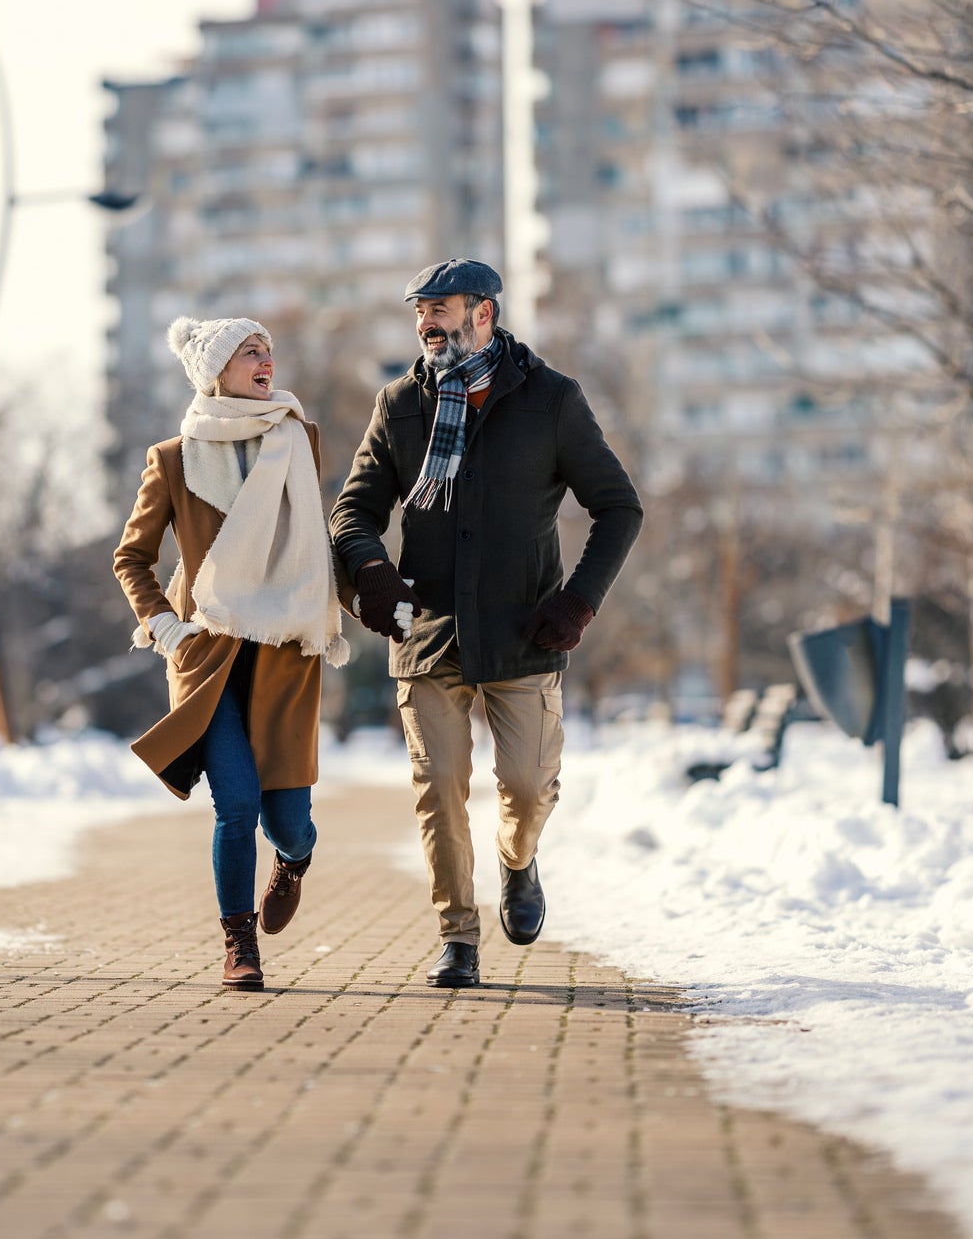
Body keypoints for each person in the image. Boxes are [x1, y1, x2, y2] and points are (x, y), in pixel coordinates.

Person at [330, 260, 642, 989]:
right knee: (438, 785)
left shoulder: (550, 400)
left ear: (484, 315)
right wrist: (370, 574)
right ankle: (457, 938)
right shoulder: (399, 405)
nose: (426, 323)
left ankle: (517, 862)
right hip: (427, 630)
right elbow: (353, 512)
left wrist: (578, 601)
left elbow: (618, 506)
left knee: (529, 788)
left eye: (441, 309)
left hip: (525, 632)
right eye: (420, 312)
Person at [113, 316, 353, 991]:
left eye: (268, 349)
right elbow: (131, 557)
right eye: (249, 350)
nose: (264, 358)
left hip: (284, 655)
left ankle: (294, 862)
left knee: (291, 824)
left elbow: (319, 546)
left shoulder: (299, 441)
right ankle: (239, 946)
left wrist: (373, 602)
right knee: (236, 805)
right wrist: (164, 627)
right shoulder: (172, 459)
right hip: (208, 658)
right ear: (215, 370)